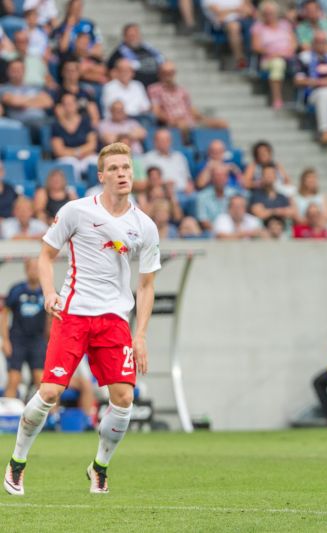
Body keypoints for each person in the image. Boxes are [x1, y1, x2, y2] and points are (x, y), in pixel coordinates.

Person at [3, 142, 160, 496]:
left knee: (123, 399)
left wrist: (142, 334)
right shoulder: (76, 211)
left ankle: (99, 467)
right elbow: (45, 256)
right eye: (115, 169)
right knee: (50, 392)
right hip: (73, 314)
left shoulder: (144, 226)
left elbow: (147, 284)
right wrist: (48, 293)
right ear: (102, 176)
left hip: (114, 321)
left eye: (127, 167)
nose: (122, 174)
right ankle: (17, 463)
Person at [1, 259, 46, 399]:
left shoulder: (47, 291)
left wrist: (50, 342)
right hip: (17, 340)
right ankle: (8, 416)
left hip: (37, 340)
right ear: (26, 270)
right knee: (14, 379)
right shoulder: (16, 290)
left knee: (42, 380)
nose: (34, 272)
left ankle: (51, 417)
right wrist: (6, 340)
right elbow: (4, 316)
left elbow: (53, 321)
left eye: (37, 268)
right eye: (32, 268)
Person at [147, 61, 228, 134]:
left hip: (190, 121)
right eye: (165, 72)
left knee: (222, 123)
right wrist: (171, 119)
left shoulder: (182, 90)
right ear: (160, 74)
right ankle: (188, 147)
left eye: (171, 72)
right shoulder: (154, 89)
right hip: (173, 123)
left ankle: (217, 149)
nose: (169, 75)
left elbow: (191, 108)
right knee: (183, 125)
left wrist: (204, 119)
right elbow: (156, 111)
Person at [250, 1, 296, 109]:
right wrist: (273, 53)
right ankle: (277, 99)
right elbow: (256, 47)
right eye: (266, 13)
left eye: (271, 13)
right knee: (277, 64)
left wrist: (288, 52)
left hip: (288, 56)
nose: (269, 16)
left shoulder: (285, 25)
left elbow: (294, 43)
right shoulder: (258, 27)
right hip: (268, 58)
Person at [201, 0, 254, 69]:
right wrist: (237, 9)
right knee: (234, 27)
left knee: (256, 28)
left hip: (244, 20)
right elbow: (218, 12)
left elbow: (249, 10)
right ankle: (240, 60)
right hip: (222, 24)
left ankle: (254, 61)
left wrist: (229, 11)